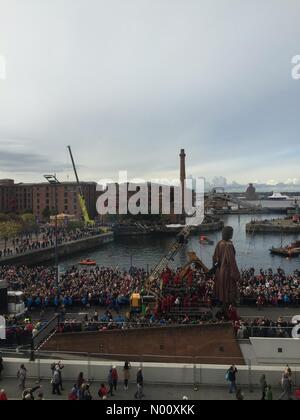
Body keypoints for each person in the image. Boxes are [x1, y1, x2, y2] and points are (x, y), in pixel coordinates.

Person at [213, 226, 240, 309]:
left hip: (221, 270)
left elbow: (214, 258)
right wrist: (237, 275)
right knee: (229, 289)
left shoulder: (219, 243)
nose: (232, 234)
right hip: (228, 271)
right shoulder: (228, 245)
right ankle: (228, 310)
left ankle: (224, 309)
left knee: (223, 290)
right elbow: (232, 261)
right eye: (231, 232)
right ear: (229, 233)